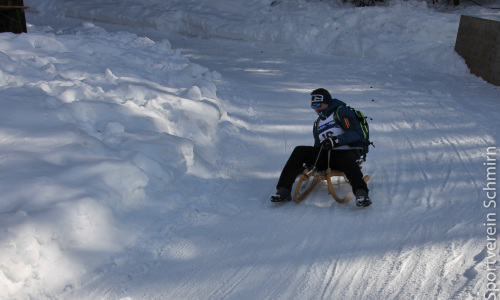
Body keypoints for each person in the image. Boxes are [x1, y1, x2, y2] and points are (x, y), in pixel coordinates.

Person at [270, 88, 371, 207]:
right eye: (313, 106)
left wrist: (336, 140)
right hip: (326, 157)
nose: (316, 109)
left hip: (345, 155)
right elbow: (317, 146)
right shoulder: (318, 123)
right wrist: (311, 162)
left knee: (346, 156)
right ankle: (284, 190)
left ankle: (361, 193)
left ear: (327, 102)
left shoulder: (341, 112)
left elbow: (356, 132)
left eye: (319, 105)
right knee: (299, 150)